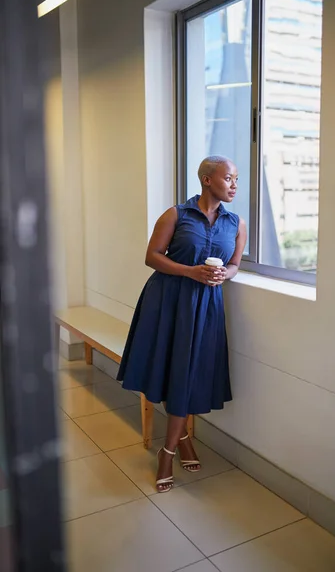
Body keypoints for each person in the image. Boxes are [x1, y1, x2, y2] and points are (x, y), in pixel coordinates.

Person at [117, 155, 247, 493]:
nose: (234, 185)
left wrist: (223, 275)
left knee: (189, 373)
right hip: (167, 302)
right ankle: (176, 445)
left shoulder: (236, 223)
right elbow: (152, 256)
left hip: (206, 307)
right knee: (168, 369)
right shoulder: (176, 214)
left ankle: (172, 446)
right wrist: (191, 271)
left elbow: (235, 265)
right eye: (229, 178)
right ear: (207, 179)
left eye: (236, 180)